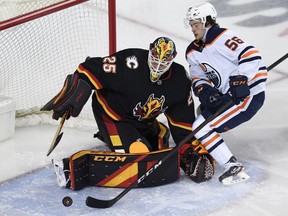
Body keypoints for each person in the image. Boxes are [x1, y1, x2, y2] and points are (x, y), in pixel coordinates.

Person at [41, 37, 215, 189]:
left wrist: (190, 151)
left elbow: (182, 124)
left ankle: (144, 134)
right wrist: (77, 92)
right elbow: (91, 68)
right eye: (155, 61)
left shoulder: (179, 81)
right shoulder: (130, 62)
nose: (157, 67)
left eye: (163, 63)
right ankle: (72, 167)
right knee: (138, 154)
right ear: (149, 51)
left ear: (172, 60)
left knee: (159, 147)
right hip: (113, 116)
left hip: (143, 120)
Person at [185, 2, 267, 185]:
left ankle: (232, 168)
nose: (193, 29)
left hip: (247, 95)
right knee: (202, 113)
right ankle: (214, 152)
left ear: (207, 22)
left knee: (201, 126)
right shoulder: (192, 51)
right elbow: (198, 77)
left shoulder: (222, 36)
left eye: (196, 24)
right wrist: (205, 91)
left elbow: (251, 55)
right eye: (191, 25)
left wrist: (240, 79)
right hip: (227, 96)